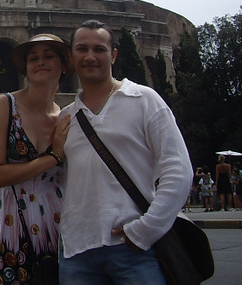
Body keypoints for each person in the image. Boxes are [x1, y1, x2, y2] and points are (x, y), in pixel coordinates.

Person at [59, 20, 193, 284]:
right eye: (82, 49)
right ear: (71, 56)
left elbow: (178, 169)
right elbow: (56, 178)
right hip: (76, 250)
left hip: (132, 247)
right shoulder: (66, 117)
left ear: (114, 55)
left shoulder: (144, 99)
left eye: (99, 49)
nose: (89, 56)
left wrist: (145, 231)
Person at [0, 34, 71, 285]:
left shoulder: (67, 117)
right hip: (9, 225)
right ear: (25, 68)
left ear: (64, 65)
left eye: (48, 56)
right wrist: (53, 156)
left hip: (56, 225)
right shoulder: (4, 105)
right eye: (33, 58)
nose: (40, 62)